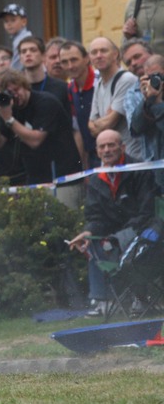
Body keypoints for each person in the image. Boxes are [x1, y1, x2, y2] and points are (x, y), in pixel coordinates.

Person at [68, 130, 160, 316]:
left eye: (111, 145)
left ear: (123, 147)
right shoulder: (96, 178)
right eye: (102, 146)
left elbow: (146, 212)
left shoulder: (139, 170)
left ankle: (139, 299)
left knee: (117, 243)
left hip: (142, 230)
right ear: (97, 151)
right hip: (115, 235)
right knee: (92, 241)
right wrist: (88, 231)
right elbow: (96, 217)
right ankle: (103, 300)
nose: (107, 150)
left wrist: (117, 236)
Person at [0, 69, 83, 185]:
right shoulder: (9, 108)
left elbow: (35, 140)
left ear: (25, 86)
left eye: (16, 90)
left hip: (61, 174)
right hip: (35, 175)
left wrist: (9, 119)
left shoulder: (45, 102)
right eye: (9, 93)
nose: (15, 96)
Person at [87, 36, 135, 143]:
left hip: (130, 154)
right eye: (94, 52)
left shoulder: (126, 79)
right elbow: (90, 125)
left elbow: (109, 122)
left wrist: (102, 120)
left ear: (115, 54)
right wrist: (105, 119)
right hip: (111, 153)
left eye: (103, 51)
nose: (99, 56)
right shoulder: (99, 83)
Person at [129, 54, 164, 191]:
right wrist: (147, 100)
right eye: (149, 78)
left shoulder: (156, 102)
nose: (155, 81)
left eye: (158, 76)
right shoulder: (151, 97)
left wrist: (156, 104)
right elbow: (136, 128)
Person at [60, 39, 97, 161]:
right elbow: (78, 129)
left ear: (86, 59)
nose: (70, 66)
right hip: (91, 156)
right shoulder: (70, 88)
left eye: (74, 60)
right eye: (64, 62)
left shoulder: (100, 82)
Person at [0, 3, 32, 70]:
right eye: (6, 21)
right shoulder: (20, 39)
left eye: (13, 20)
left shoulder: (22, 40)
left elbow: (16, 67)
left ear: (24, 22)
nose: (9, 24)